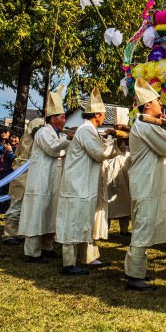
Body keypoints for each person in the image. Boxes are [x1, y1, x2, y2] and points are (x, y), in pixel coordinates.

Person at [124, 77, 166, 290]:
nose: (161, 104)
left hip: (149, 181)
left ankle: (138, 271)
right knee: (143, 226)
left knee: (147, 225)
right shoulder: (144, 124)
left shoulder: (147, 124)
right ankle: (134, 276)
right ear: (148, 105)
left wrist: (164, 126)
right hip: (146, 182)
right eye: (157, 101)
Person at [55, 88, 115, 275]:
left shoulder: (89, 130)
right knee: (73, 221)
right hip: (77, 185)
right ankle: (68, 263)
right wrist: (113, 140)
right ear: (97, 114)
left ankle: (88, 257)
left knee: (83, 221)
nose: (105, 116)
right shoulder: (86, 130)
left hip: (83, 184)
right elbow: (99, 153)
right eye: (104, 113)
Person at [19, 91, 69, 262]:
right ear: (53, 118)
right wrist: (67, 139)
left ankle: (47, 245)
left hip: (53, 180)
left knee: (50, 212)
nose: (64, 120)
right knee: (37, 212)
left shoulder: (58, 134)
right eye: (62, 117)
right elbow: (54, 149)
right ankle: (32, 251)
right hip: (41, 180)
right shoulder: (43, 133)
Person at [2, 119, 43, 246]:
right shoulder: (29, 140)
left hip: (30, 174)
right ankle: (9, 233)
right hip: (22, 175)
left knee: (26, 206)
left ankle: (20, 231)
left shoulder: (31, 142)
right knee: (16, 204)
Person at [105, 135, 132, 237]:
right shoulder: (111, 139)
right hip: (111, 173)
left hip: (123, 174)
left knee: (124, 203)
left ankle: (124, 230)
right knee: (108, 204)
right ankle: (105, 229)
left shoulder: (127, 148)